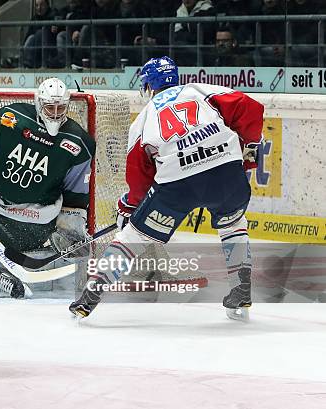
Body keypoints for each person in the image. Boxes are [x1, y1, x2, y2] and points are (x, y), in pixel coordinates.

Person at [70, 56, 263, 322]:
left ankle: (90, 297)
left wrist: (130, 205)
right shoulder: (201, 90)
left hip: (178, 184)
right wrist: (249, 144)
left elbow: (138, 174)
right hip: (226, 173)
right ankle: (241, 290)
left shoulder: (145, 118)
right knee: (233, 224)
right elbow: (250, 108)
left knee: (133, 237)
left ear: (149, 86)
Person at [0, 78, 95, 280]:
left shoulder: (79, 143)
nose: (56, 114)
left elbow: (74, 198)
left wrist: (70, 231)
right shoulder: (9, 119)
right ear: (39, 103)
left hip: (36, 222)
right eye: (50, 108)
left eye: (61, 108)